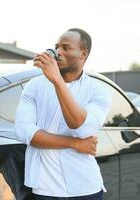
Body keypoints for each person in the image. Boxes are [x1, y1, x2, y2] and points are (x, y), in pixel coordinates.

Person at [15, 28, 112, 200]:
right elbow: (24, 132)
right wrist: (75, 143)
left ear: (83, 54)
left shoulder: (99, 91)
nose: (58, 52)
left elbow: (82, 128)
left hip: (85, 189)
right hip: (44, 190)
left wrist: (57, 81)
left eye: (66, 48)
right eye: (57, 47)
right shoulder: (34, 86)